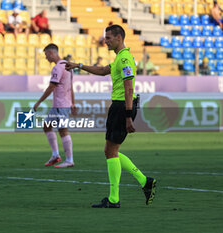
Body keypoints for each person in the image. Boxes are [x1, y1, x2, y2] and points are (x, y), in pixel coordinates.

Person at [63, 25, 156, 208]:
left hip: (123, 107)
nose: (105, 40)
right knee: (110, 151)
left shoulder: (125, 59)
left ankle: (115, 199)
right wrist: (79, 66)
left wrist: (128, 116)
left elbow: (129, 88)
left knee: (111, 152)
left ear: (119, 38)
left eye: (109, 38)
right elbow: (103, 70)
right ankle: (145, 182)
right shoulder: (120, 58)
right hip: (119, 106)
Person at [33, 43, 75, 168]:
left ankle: (69, 160)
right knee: (47, 126)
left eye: (46, 55)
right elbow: (70, 86)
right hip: (61, 104)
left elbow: (52, 86)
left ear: (51, 53)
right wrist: (73, 102)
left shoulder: (57, 67)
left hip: (61, 105)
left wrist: (39, 102)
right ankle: (56, 155)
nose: (46, 58)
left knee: (62, 130)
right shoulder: (68, 66)